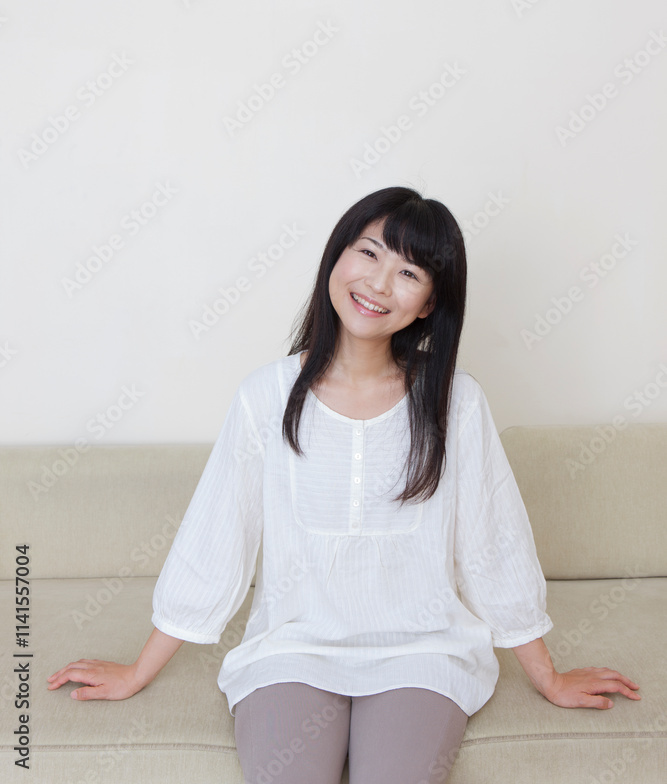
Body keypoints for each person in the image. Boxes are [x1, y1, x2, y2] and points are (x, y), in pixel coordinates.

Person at [48, 185, 641, 783]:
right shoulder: (265, 397)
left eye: (408, 272)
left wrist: (549, 677)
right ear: (337, 256)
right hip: (292, 651)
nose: (379, 283)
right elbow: (215, 541)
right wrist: (137, 671)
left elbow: (494, 543)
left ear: (430, 304)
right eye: (369, 252)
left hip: (422, 653)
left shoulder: (455, 403)